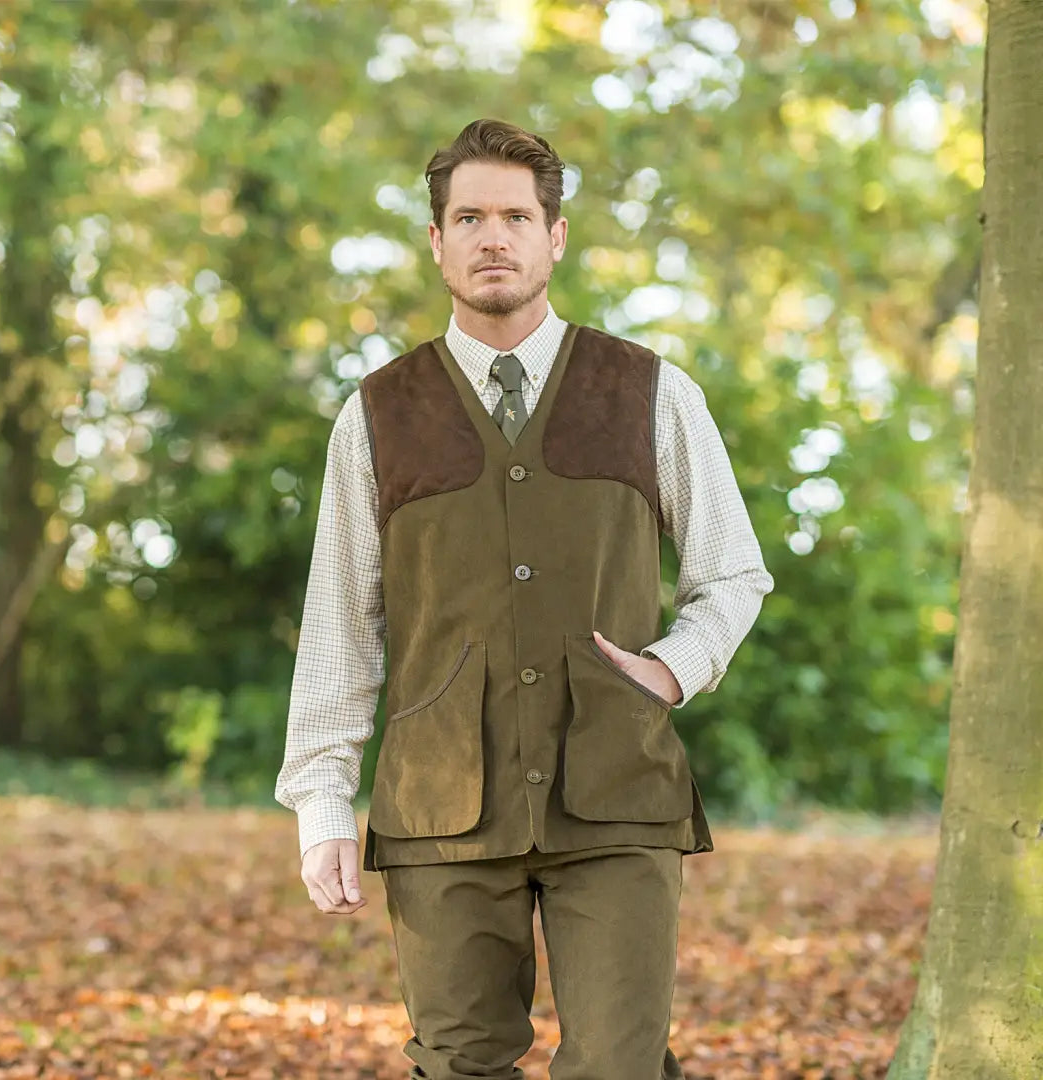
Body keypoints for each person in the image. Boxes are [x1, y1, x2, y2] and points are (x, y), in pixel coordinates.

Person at [275, 118, 774, 1080]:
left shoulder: (651, 392)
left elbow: (734, 570)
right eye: (469, 217)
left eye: (514, 215)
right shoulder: (375, 414)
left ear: (556, 236)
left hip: (616, 796)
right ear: (437, 241)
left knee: (619, 1068)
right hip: (438, 807)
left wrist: (674, 668)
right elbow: (341, 620)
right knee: (457, 1063)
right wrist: (323, 804)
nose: (492, 236)